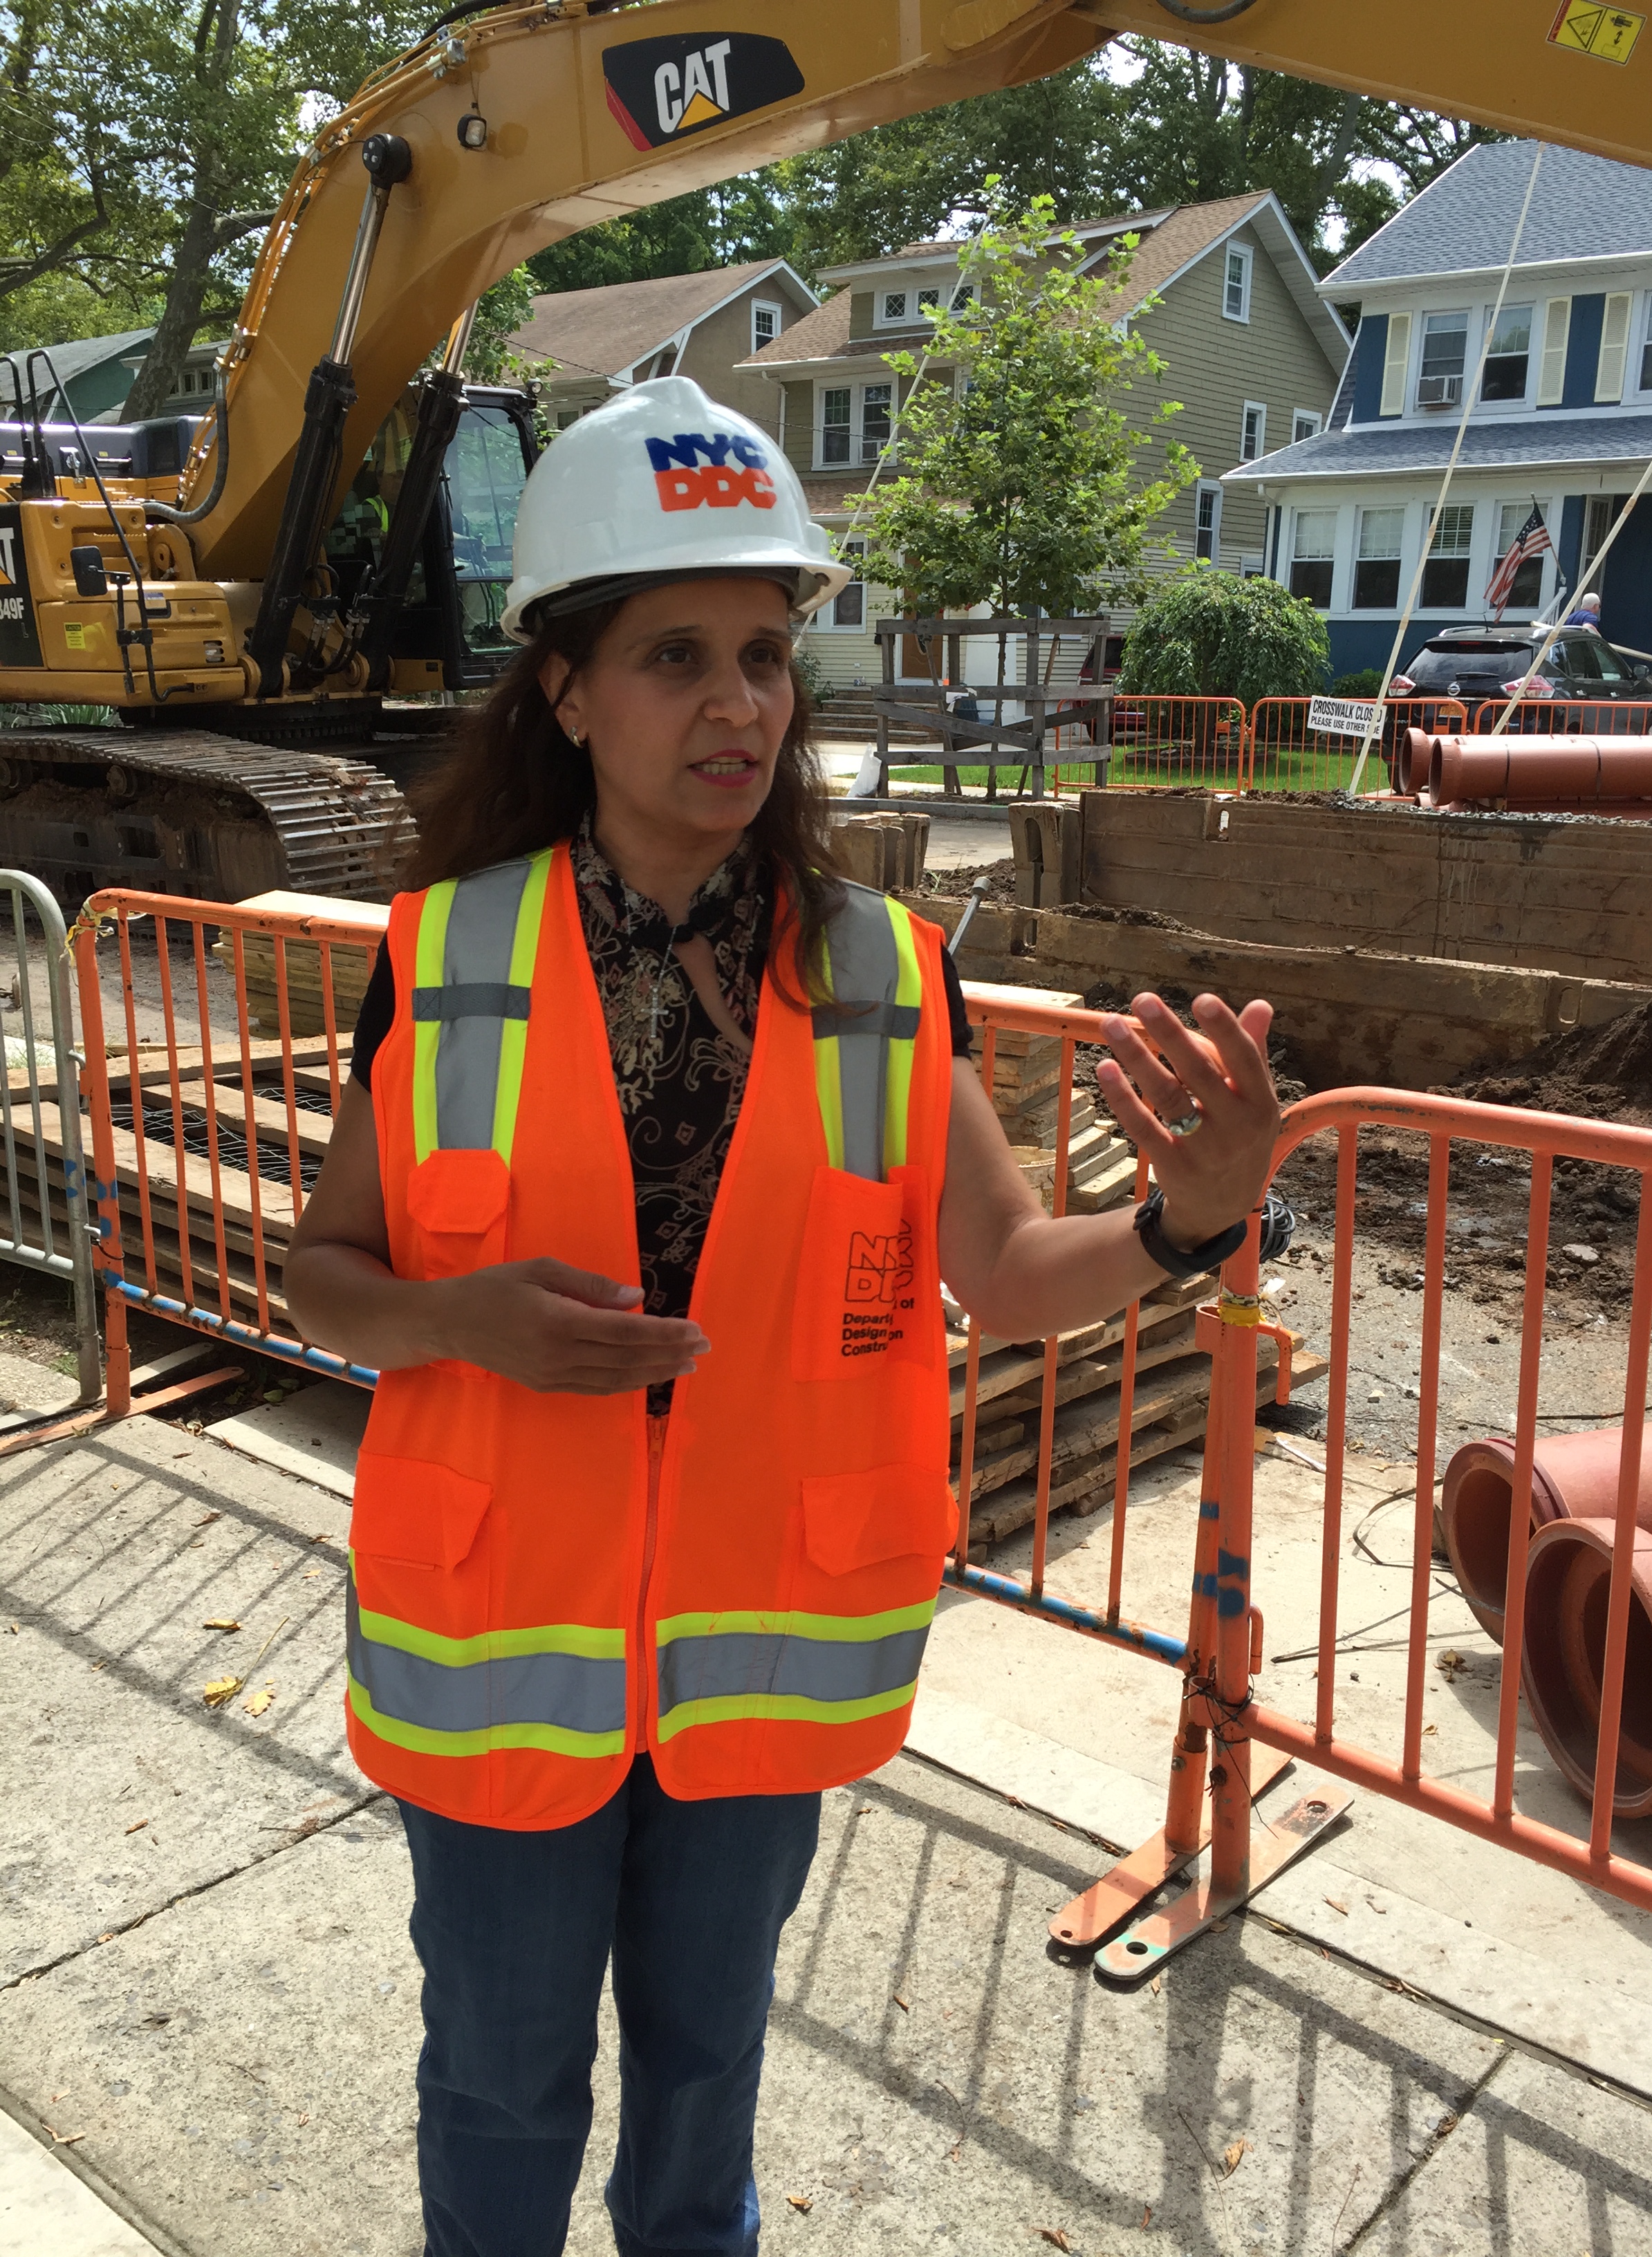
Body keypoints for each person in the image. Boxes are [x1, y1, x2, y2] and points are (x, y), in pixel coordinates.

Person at [284, 373, 1282, 2257]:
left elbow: (1001, 1274)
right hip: (501, 1650)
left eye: (764, 653)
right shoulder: (445, 955)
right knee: (497, 2086)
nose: (739, 702)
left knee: (703, 2080)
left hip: (752, 1675)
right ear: (565, 688)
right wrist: (464, 1321)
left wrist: (1181, 1223)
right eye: (676, 655)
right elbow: (319, 1274)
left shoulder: (883, 976)